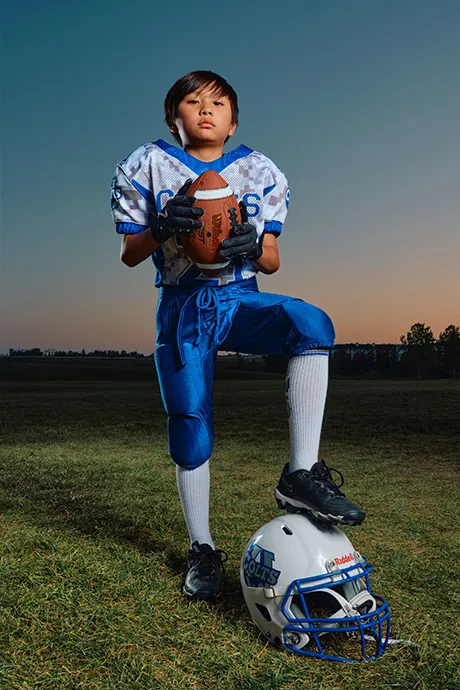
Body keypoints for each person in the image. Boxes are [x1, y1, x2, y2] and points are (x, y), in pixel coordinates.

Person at [110, 70, 365, 602]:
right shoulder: (148, 164)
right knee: (189, 426)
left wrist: (251, 246)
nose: (206, 110)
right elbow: (130, 253)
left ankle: (299, 473)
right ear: (172, 115)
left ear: (234, 119)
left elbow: (271, 262)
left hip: (239, 296)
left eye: (219, 102)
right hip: (182, 305)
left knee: (311, 323)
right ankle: (201, 547)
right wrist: (161, 228)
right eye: (193, 101)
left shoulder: (258, 169)